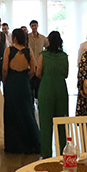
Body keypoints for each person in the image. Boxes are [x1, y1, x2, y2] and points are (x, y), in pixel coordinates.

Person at [1, 27, 41, 154]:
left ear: (15, 38)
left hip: (12, 81)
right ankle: (30, 142)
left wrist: (5, 80)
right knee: (27, 111)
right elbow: (33, 70)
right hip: (23, 82)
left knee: (11, 112)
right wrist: (25, 77)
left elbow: (5, 69)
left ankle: (14, 145)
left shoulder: (9, 50)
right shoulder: (28, 51)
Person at [35, 30, 69, 158]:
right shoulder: (64, 56)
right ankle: (63, 151)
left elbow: (38, 73)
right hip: (61, 89)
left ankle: (46, 154)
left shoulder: (43, 55)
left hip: (46, 88)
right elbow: (66, 74)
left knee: (45, 122)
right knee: (61, 122)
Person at [27, 20, 47, 96]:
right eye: (32, 26)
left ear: (37, 26)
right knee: (30, 86)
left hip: (40, 64)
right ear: (30, 27)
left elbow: (48, 46)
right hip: (30, 64)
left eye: (35, 25)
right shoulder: (27, 37)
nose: (34, 27)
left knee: (39, 86)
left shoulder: (42, 38)